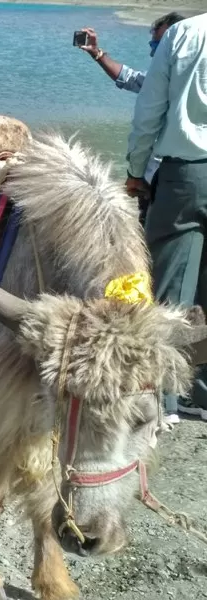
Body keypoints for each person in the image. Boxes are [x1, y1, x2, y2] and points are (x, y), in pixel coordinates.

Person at [125, 13, 207, 423]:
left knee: (172, 283)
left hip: (187, 173)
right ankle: (202, 393)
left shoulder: (184, 33)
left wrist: (136, 170)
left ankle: (167, 398)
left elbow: (150, 109)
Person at [76, 13, 187, 228]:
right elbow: (129, 78)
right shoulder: (160, 78)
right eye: (153, 43)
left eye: (159, 43)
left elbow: (144, 127)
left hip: (171, 177)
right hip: (155, 177)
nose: (154, 49)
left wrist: (134, 174)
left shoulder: (186, 81)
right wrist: (96, 53)